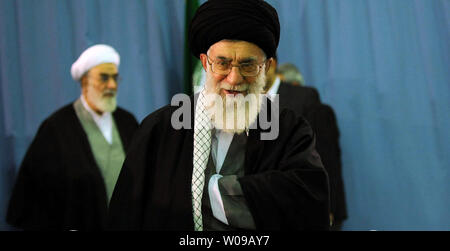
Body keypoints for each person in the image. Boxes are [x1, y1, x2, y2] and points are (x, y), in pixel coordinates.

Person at [108, 0, 330, 231]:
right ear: (205, 62)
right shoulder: (160, 129)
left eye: (248, 65)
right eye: (222, 64)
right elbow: (127, 214)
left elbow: (308, 202)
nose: (234, 79)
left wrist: (213, 190)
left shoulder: (289, 130)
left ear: (266, 66)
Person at [6, 44, 139, 231]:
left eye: (115, 78)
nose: (112, 85)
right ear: (84, 82)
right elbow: (38, 198)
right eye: (104, 77)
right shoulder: (56, 129)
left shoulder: (127, 122)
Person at [265, 58, 348, 229]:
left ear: (271, 64)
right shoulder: (244, 104)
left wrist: (328, 206)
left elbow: (325, 156)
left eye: (251, 65)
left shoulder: (304, 98)